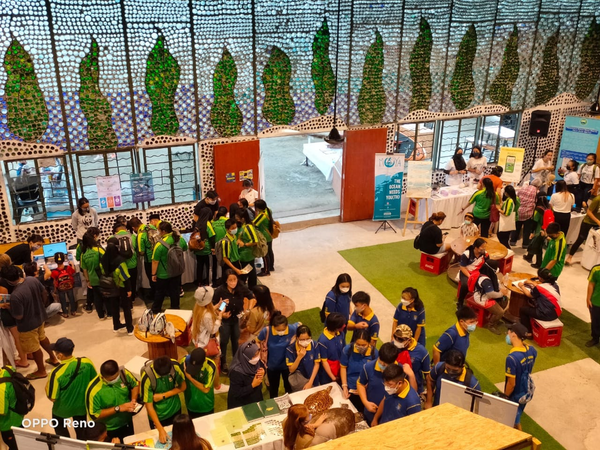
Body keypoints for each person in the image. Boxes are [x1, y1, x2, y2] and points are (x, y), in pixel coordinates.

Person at [2, 265, 59, 379]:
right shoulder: (31, 279)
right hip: (40, 316)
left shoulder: (15, 295)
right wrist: (41, 305)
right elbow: (44, 292)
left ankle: (41, 371)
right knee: (42, 337)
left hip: (27, 324)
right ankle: (53, 358)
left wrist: (8, 307)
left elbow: (18, 316)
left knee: (34, 348)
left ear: (8, 280)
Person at [45, 338, 97, 439]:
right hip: (81, 406)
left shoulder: (56, 373)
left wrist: (46, 388)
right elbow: (94, 382)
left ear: (60, 355)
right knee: (81, 431)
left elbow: (53, 398)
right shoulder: (86, 362)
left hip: (62, 409)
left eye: (56, 352)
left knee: (60, 427)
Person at [85, 359, 139, 443]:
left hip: (127, 422)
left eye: (117, 377)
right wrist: (118, 408)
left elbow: (135, 385)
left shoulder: (124, 373)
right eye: (111, 380)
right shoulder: (93, 390)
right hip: (108, 430)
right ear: (102, 377)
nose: (116, 380)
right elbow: (94, 415)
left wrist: (133, 400)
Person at [213, 270, 254, 373]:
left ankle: (236, 361)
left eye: (234, 279)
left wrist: (248, 310)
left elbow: (251, 297)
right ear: (226, 281)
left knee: (236, 340)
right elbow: (214, 306)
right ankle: (223, 362)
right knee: (224, 340)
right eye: (230, 280)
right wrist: (221, 314)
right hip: (225, 320)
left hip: (236, 318)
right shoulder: (220, 291)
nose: (233, 282)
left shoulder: (241, 287)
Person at [141, 356, 186, 444]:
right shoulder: (147, 377)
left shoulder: (175, 366)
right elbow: (149, 406)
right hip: (159, 417)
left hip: (175, 409)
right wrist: (160, 428)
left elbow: (183, 387)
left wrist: (163, 395)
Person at [258, 311, 301, 398]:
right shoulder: (267, 331)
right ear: (273, 327)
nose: (281, 332)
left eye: (283, 330)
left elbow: (299, 324)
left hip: (287, 366)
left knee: (289, 388)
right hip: (272, 367)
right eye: (278, 330)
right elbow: (257, 341)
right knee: (273, 390)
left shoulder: (292, 329)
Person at [504, 323, 537, 430]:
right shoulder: (532, 350)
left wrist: (505, 397)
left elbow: (511, 384)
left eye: (509, 331)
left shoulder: (512, 358)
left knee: (514, 422)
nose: (507, 334)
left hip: (515, 394)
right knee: (517, 415)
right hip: (525, 390)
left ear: (513, 334)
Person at [356, 342, 399, 425]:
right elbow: (360, 384)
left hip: (390, 417)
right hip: (371, 413)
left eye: (386, 365)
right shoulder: (368, 367)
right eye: (381, 362)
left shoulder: (400, 371)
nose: (382, 365)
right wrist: (365, 402)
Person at [100, 237, 134, 334]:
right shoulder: (120, 261)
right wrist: (129, 290)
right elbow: (125, 277)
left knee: (114, 307)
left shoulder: (103, 259)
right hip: (122, 287)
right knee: (126, 308)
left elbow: (102, 272)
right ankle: (129, 329)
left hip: (110, 287)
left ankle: (116, 326)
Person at [151, 221, 187, 312]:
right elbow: (185, 248)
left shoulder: (159, 244)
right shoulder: (180, 239)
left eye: (158, 230)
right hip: (177, 271)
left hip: (163, 274)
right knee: (175, 291)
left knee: (160, 292)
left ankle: (156, 309)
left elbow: (155, 261)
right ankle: (175, 308)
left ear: (163, 231)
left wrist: (153, 274)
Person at [340, 329, 378, 412]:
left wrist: (364, 387)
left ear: (369, 342)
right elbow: (343, 367)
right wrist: (344, 386)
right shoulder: (347, 350)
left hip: (366, 390)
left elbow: (375, 374)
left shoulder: (375, 353)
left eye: (363, 345)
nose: (360, 347)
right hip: (350, 388)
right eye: (358, 344)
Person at [468, 260, 509, 335]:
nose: (497, 269)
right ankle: (491, 325)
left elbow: (497, 282)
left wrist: (501, 290)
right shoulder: (485, 280)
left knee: (505, 300)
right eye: (496, 267)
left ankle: (495, 316)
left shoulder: (490, 274)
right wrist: (501, 293)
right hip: (483, 299)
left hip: (489, 295)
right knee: (500, 312)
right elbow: (490, 294)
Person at [517, 268, 562, 335]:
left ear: (540, 278)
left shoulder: (539, 288)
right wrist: (532, 283)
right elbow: (544, 289)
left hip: (545, 314)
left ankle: (528, 332)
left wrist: (521, 286)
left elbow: (529, 295)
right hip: (557, 313)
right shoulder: (555, 284)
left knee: (523, 310)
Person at [192, 286, 224, 374]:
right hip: (207, 344)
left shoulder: (197, 308)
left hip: (199, 341)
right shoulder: (207, 316)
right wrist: (220, 317)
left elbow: (206, 311)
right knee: (213, 366)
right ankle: (215, 381)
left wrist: (217, 306)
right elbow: (213, 330)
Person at [181, 348, 220, 419]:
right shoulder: (184, 361)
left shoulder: (210, 366)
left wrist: (190, 378)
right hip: (190, 404)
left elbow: (206, 389)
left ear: (204, 360)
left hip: (206, 406)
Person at [392, 325, 430, 396]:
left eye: (400, 339)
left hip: (414, 389)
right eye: (395, 337)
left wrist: (428, 399)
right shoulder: (392, 346)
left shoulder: (422, 352)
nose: (396, 341)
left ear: (409, 340)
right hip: (395, 388)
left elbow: (427, 376)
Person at [80, 228, 109, 319]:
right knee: (106, 295)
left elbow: (84, 269)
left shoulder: (83, 254)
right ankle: (110, 313)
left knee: (97, 298)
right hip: (102, 277)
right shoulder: (98, 249)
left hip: (92, 279)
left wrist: (88, 280)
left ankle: (101, 315)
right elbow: (106, 260)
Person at [227, 340, 265, 409]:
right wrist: (252, 385)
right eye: (254, 355)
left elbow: (262, 366)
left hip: (255, 398)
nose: (257, 358)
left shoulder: (255, 361)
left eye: (257, 353)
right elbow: (236, 393)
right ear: (246, 356)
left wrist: (263, 371)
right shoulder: (236, 372)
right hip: (242, 404)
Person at [129, 215, 159, 301]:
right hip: (158, 254)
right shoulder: (151, 226)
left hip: (149, 259)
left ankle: (154, 295)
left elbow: (141, 252)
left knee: (152, 278)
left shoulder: (140, 235)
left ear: (134, 227)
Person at [567, 192, 600, 265]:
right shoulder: (597, 200)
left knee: (595, 243)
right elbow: (589, 212)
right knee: (580, 239)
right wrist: (597, 221)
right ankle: (569, 257)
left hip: (597, 225)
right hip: (588, 223)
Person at [286, 325, 321, 392]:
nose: (305, 341)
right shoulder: (290, 349)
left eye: (307, 339)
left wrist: (310, 382)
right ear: (297, 338)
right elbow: (291, 370)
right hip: (299, 382)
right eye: (302, 340)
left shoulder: (314, 345)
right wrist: (299, 357)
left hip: (313, 379)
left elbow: (317, 364)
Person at [523, 196, 553, 267]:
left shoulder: (538, 209)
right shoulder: (550, 208)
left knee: (538, 247)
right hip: (547, 230)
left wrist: (532, 232)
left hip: (539, 230)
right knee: (534, 244)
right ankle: (529, 256)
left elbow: (535, 221)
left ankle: (539, 263)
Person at [457, 238, 488, 308]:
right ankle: (460, 302)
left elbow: (487, 265)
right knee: (465, 285)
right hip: (466, 272)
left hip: (477, 273)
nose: (484, 249)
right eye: (482, 247)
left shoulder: (485, 254)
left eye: (485, 247)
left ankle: (482, 301)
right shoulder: (467, 254)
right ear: (476, 247)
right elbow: (462, 267)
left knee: (486, 282)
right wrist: (470, 276)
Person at [317, 312, 347, 385]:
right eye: (342, 325)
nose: (344, 326)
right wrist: (333, 377)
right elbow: (324, 361)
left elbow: (344, 349)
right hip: (328, 375)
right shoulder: (322, 341)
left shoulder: (340, 333)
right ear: (336, 327)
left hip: (340, 369)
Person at [510, 179, 542, 247]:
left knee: (516, 227)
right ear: (538, 186)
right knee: (527, 229)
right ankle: (525, 244)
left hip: (519, 211)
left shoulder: (523, 188)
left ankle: (513, 241)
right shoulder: (537, 192)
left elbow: (517, 197)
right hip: (528, 212)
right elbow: (536, 202)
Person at [112, 222, 138, 300]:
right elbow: (136, 248)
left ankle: (124, 299)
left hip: (120, 266)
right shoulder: (133, 236)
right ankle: (132, 298)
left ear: (116, 231)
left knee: (122, 284)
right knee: (133, 282)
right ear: (125, 229)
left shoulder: (112, 238)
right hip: (132, 264)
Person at [0, 365, 23, 450]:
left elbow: (2, 411)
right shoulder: (8, 369)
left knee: (13, 445)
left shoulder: (1, 389)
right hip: (18, 414)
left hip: (8, 424)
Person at [235, 207, 259, 288]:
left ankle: (252, 289)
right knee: (247, 273)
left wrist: (244, 244)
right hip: (243, 255)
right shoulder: (243, 226)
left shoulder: (248, 227)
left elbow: (255, 241)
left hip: (247, 255)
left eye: (238, 218)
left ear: (243, 218)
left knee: (249, 273)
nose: (237, 219)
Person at [50, 252, 78, 318]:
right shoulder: (68, 268)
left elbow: (54, 282)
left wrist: (55, 289)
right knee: (71, 298)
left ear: (55, 261)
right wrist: (72, 265)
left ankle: (65, 313)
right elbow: (73, 272)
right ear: (64, 260)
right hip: (69, 287)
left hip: (61, 289)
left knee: (62, 300)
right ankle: (73, 311)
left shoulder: (54, 272)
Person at [193, 207, 216, 287]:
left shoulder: (197, 223)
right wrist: (213, 247)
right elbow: (212, 236)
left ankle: (199, 282)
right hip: (206, 249)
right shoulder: (207, 224)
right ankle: (208, 283)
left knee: (199, 266)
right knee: (208, 267)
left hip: (198, 249)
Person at [253, 199, 275, 276]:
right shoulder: (268, 210)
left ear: (259, 208)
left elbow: (254, 224)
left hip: (264, 236)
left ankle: (266, 271)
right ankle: (271, 267)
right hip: (269, 234)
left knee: (264, 254)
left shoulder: (262, 216)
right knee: (269, 251)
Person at [211, 207, 228, 286]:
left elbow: (211, 236)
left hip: (215, 246)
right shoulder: (227, 222)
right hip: (226, 246)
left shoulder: (212, 223)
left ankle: (214, 282)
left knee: (214, 264)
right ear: (226, 214)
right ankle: (225, 281)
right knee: (225, 264)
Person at [498, 185, 519, 249]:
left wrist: (499, 209)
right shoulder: (516, 199)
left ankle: (507, 252)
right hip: (511, 221)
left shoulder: (509, 200)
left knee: (502, 238)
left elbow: (506, 213)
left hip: (505, 222)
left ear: (507, 193)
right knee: (505, 238)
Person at [586, 264, 600, 347]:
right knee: (595, 321)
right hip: (596, 301)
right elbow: (591, 284)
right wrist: (588, 298)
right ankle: (595, 338)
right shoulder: (596, 269)